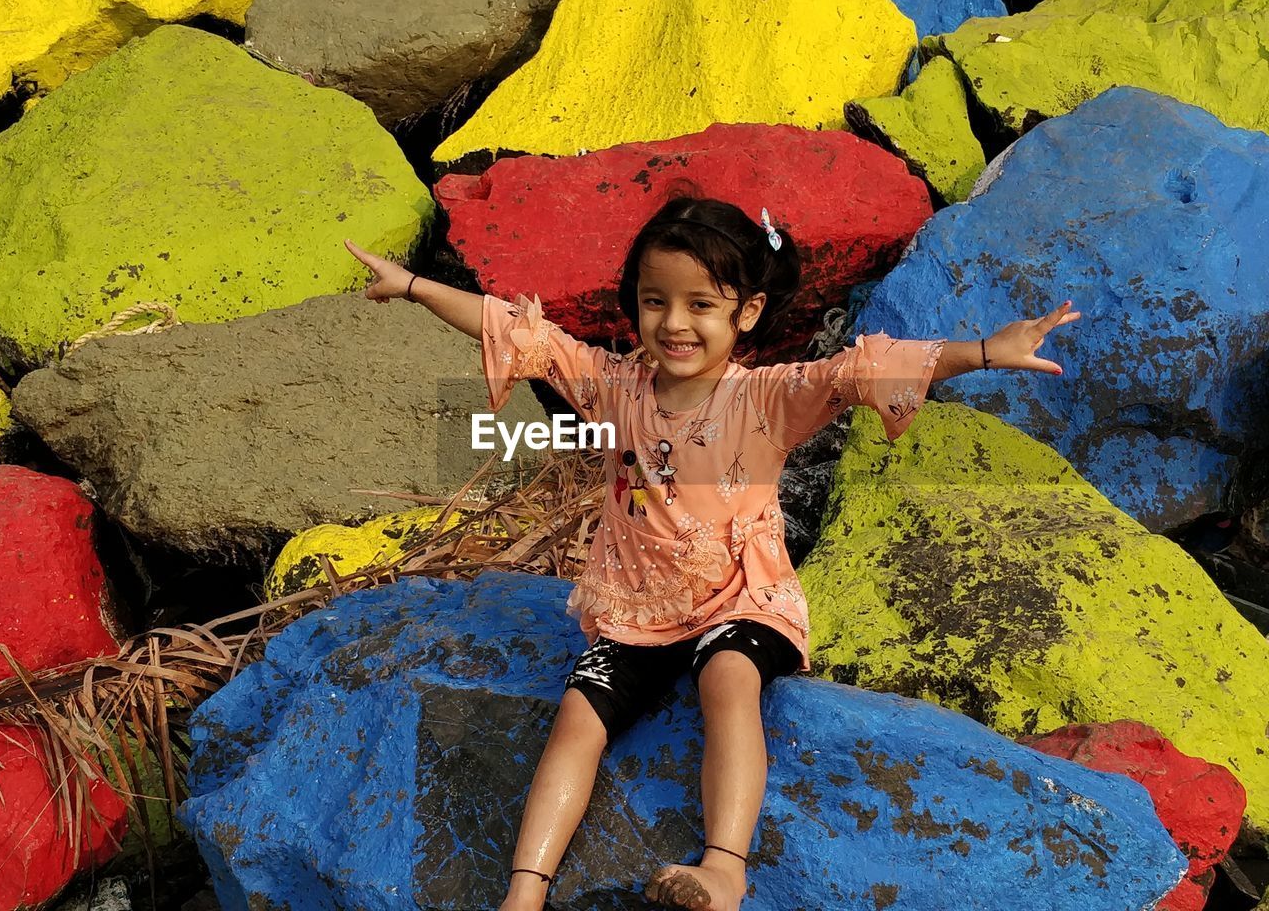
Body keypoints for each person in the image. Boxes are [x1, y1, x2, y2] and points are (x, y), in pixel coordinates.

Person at [345, 196, 1080, 911]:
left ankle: (724, 870)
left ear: (746, 313)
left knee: (728, 682)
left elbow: (861, 372)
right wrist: (413, 285)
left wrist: (986, 351)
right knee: (576, 717)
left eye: (701, 305)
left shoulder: (766, 397)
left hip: (739, 598)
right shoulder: (612, 385)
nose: (674, 323)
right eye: (655, 300)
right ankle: (523, 890)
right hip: (635, 607)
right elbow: (517, 330)